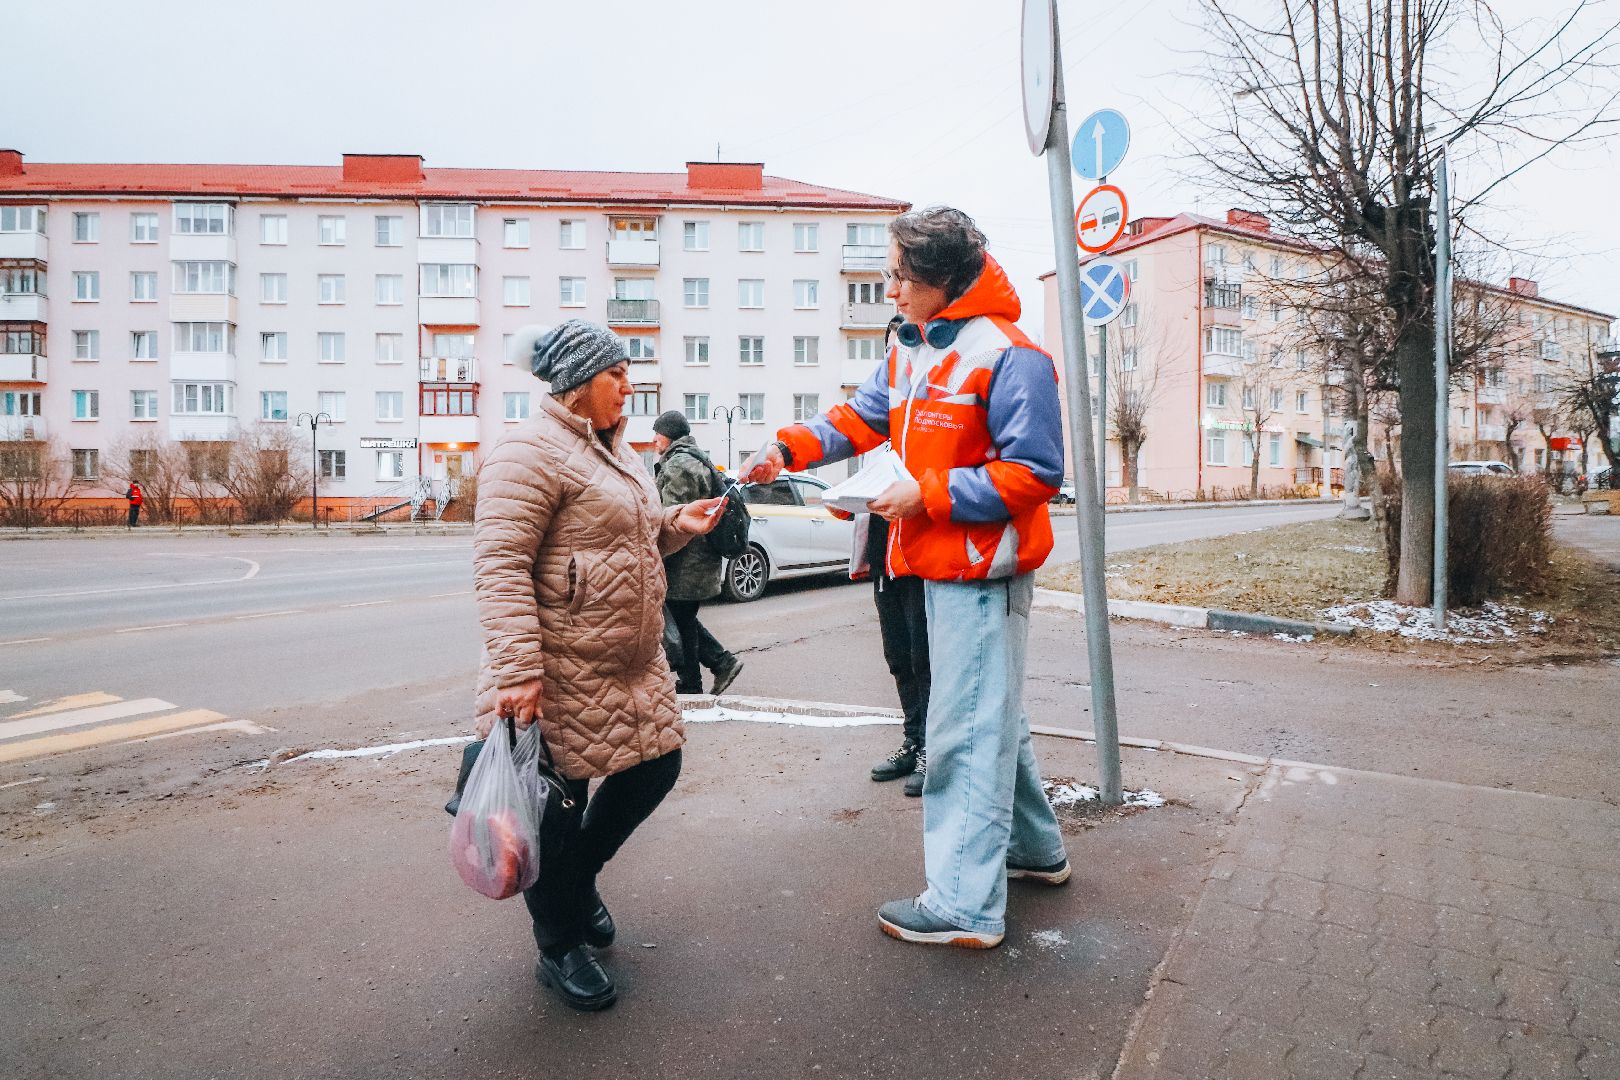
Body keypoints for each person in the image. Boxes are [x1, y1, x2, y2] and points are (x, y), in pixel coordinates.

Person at [748, 207, 1070, 950]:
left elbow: (1035, 473)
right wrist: (787, 450)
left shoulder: (1012, 356)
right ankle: (1034, 850)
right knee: (990, 713)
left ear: (943, 279)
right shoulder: (912, 344)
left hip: (982, 569)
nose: (888, 289)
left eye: (898, 275)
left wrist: (928, 495)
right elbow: (861, 418)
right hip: (937, 565)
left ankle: (963, 906)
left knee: (964, 729)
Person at [474, 320, 723, 1011]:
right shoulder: (527, 452)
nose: (628, 387)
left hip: (628, 664)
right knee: (557, 809)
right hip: (556, 666)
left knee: (658, 764)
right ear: (579, 381)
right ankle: (558, 946)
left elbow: (625, 539)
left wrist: (676, 524)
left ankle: (576, 883)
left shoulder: (618, 451)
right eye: (617, 374)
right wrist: (518, 669)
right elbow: (500, 566)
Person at [865, 315, 930, 799]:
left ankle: (931, 748)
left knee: (925, 659)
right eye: (890, 350)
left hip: (921, 558)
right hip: (884, 557)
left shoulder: (926, 421)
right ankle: (912, 740)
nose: (896, 359)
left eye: (903, 349)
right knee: (898, 657)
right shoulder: (883, 425)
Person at [650, 410, 743, 695]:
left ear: (668, 435)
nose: (654, 441)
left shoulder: (680, 465)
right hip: (694, 559)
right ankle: (719, 664)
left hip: (686, 560)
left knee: (682, 621)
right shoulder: (694, 459)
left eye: (657, 434)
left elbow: (674, 516)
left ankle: (694, 684)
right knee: (684, 619)